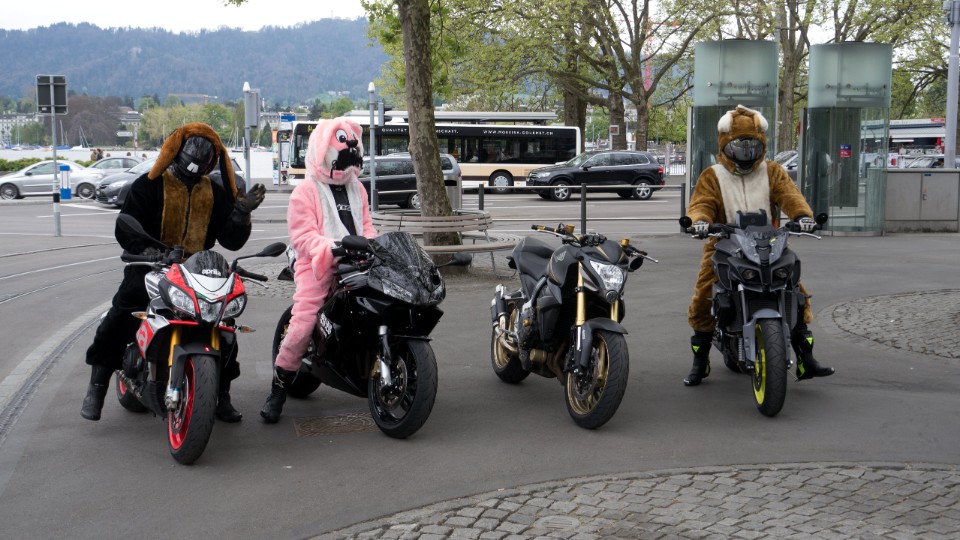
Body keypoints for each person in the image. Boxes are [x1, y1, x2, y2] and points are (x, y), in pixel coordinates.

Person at [80, 123, 267, 422]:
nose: (197, 163)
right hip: (152, 264)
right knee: (123, 312)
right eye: (192, 153)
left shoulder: (215, 192)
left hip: (197, 269)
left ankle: (220, 393)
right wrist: (145, 250)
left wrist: (241, 213)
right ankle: (97, 387)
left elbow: (231, 241)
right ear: (176, 150)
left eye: (205, 157)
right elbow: (126, 226)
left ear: (213, 161)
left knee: (224, 323)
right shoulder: (149, 185)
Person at [683, 105, 835, 387]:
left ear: (761, 144)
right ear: (725, 145)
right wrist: (700, 221)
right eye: (739, 147)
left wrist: (803, 216)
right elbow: (701, 203)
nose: (746, 153)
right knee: (704, 295)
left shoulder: (772, 171)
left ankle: (806, 358)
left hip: (770, 241)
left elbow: (790, 195)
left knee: (794, 290)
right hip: (723, 242)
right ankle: (700, 362)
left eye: (752, 147)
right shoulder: (712, 175)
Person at [260, 118, 377, 423]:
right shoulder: (305, 191)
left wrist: (373, 245)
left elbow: (367, 227)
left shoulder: (357, 189)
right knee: (302, 324)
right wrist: (332, 247)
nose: (350, 151)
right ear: (323, 151)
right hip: (316, 264)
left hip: (356, 263)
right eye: (341, 146)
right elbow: (302, 237)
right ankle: (278, 389)